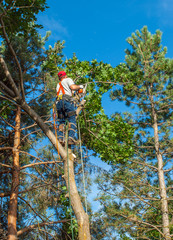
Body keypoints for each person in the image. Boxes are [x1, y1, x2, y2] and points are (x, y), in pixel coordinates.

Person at [56, 71, 83, 145]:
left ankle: (60, 138)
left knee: (62, 121)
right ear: (65, 76)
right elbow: (73, 87)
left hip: (58, 103)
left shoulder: (58, 85)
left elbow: (67, 91)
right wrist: (80, 87)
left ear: (59, 78)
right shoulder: (68, 80)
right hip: (66, 102)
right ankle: (70, 139)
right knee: (72, 119)